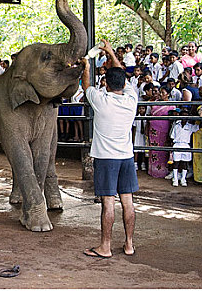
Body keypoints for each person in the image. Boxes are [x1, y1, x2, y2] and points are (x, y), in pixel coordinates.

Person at [82, 39, 138, 258]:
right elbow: (120, 72)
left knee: (108, 203)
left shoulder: (100, 100)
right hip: (126, 156)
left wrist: (86, 67)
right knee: (128, 201)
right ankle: (129, 244)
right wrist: (111, 52)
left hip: (106, 158)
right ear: (124, 84)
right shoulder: (131, 98)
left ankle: (105, 246)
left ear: (105, 84)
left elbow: (86, 86)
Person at [146, 85, 175, 178]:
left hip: (164, 131)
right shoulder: (154, 103)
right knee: (153, 150)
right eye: (160, 92)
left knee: (162, 151)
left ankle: (162, 171)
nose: (160, 94)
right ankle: (152, 170)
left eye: (163, 93)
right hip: (153, 130)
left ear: (168, 94)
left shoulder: (171, 106)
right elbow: (149, 116)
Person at [170, 108, 200, 187]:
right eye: (183, 116)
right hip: (177, 144)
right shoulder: (176, 125)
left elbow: (199, 126)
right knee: (176, 163)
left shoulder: (190, 126)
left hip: (186, 145)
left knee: (185, 163)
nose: (184, 118)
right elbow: (172, 136)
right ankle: (175, 179)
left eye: (186, 116)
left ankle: (183, 179)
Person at [132, 105, 147, 171]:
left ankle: (143, 164)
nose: (141, 110)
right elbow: (134, 129)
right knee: (136, 150)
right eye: (140, 109)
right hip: (137, 135)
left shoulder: (146, 118)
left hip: (143, 135)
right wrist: (133, 138)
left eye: (143, 108)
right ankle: (135, 163)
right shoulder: (136, 118)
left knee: (143, 150)